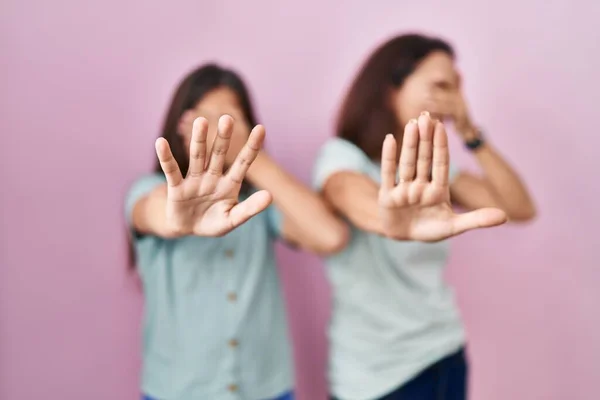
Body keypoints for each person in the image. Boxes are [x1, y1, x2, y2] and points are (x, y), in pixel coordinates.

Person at [312, 34, 536, 400]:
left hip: (444, 352)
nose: (448, 100)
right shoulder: (342, 157)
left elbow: (520, 208)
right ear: (390, 89)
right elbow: (349, 195)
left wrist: (470, 131)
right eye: (438, 86)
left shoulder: (433, 174)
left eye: (454, 89)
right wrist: (394, 221)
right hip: (375, 375)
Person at [125, 64, 349, 400]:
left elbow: (330, 236)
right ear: (181, 125)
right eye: (207, 118)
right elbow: (152, 212)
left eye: (229, 119)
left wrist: (252, 158)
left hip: (267, 389)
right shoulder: (149, 189)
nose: (219, 131)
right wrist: (179, 219)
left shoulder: (258, 202)